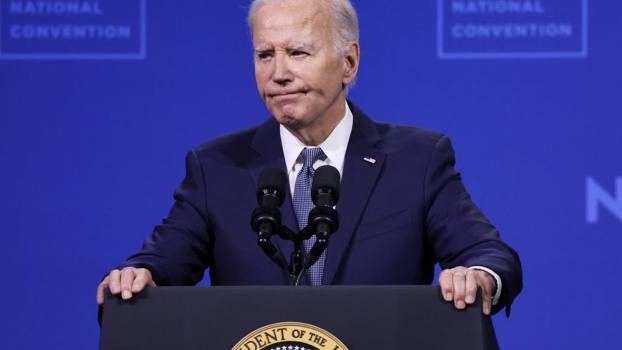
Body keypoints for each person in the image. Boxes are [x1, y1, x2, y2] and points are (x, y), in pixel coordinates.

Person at [97, 0, 522, 316]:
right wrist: (138, 276)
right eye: (265, 55)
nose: (278, 72)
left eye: (298, 53)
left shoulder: (417, 160)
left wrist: (480, 276)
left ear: (349, 63)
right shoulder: (216, 167)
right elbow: (160, 261)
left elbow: (489, 254)